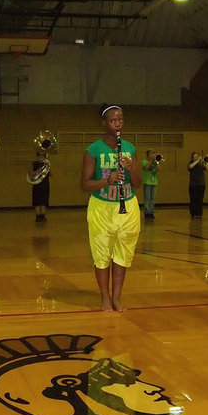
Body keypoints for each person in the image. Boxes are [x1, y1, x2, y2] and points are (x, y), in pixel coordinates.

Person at [80, 104, 142, 312]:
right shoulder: (93, 150)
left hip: (128, 206)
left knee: (123, 254)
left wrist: (131, 168)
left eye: (121, 120)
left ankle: (117, 297)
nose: (118, 124)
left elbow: (137, 182)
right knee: (102, 254)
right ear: (104, 123)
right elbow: (85, 184)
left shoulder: (130, 148)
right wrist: (107, 180)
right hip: (102, 207)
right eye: (113, 120)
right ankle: (104, 297)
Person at [29, 151, 51, 222]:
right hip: (37, 184)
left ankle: (43, 215)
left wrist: (48, 168)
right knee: (37, 200)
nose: (41, 157)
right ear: (37, 156)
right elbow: (31, 174)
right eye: (40, 155)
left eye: (42, 155)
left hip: (45, 184)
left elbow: (51, 174)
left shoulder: (47, 164)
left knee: (44, 200)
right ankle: (38, 216)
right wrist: (38, 171)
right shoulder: (33, 163)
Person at [187, 152, 207, 218]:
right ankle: (193, 214)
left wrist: (204, 162)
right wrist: (198, 160)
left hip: (201, 184)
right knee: (193, 199)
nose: (196, 157)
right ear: (192, 158)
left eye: (197, 156)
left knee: (200, 199)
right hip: (193, 185)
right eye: (195, 157)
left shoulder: (201, 163)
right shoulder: (191, 163)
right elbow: (190, 167)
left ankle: (199, 214)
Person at [141, 150, 158, 219]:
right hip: (147, 182)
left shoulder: (155, 162)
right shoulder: (144, 161)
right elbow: (146, 168)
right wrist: (151, 161)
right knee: (147, 197)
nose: (153, 155)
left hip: (154, 182)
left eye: (153, 153)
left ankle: (151, 212)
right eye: (151, 153)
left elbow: (159, 169)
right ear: (148, 155)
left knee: (152, 198)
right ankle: (147, 212)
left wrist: (157, 162)